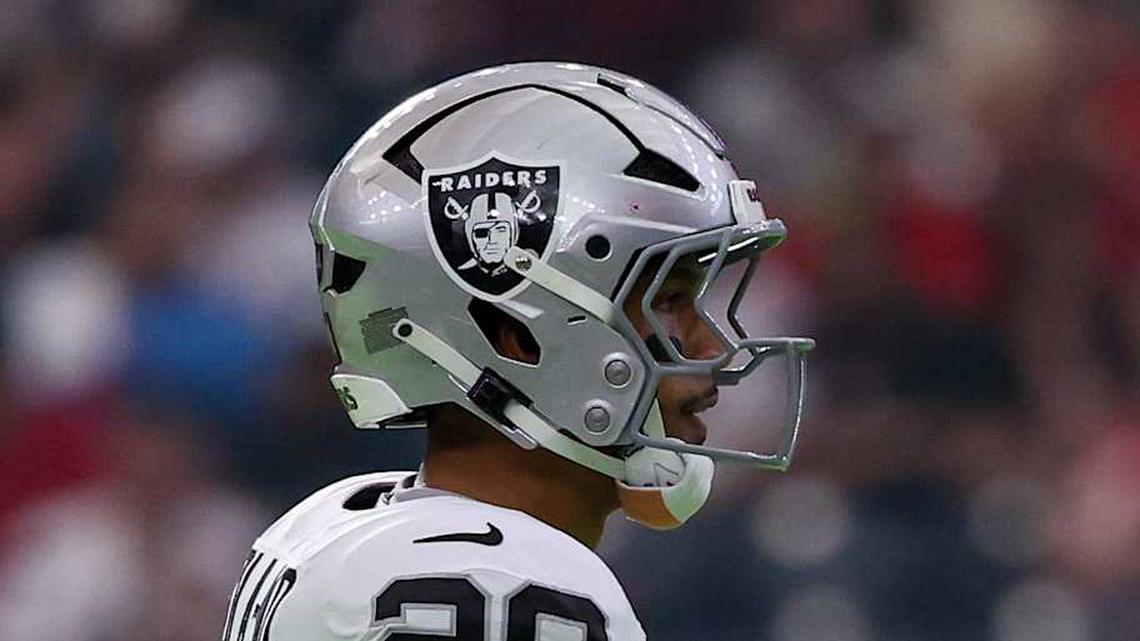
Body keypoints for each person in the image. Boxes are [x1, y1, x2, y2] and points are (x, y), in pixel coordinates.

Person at [221, 62, 814, 641]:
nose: (715, 346)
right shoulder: (503, 590)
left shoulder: (331, 530)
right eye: (671, 300)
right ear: (517, 334)